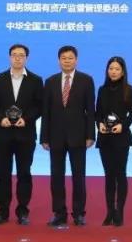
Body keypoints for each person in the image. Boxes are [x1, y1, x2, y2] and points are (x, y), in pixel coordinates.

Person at [0, 44, 44, 226]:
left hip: (25, 134)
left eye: (21, 55)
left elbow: (39, 105)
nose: (18, 58)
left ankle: (23, 211)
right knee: (3, 174)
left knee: (24, 174)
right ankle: (2, 212)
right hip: (2, 134)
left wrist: (27, 119)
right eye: (14, 55)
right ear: (9, 57)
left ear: (27, 58)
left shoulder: (35, 80)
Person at [41, 45, 96, 227]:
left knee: (78, 176)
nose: (67, 61)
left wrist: (90, 135)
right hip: (55, 136)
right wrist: (44, 137)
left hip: (78, 136)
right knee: (56, 177)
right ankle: (59, 213)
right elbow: (46, 112)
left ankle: (79, 213)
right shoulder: (50, 81)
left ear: (76, 60)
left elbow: (91, 110)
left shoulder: (86, 80)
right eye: (64, 58)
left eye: (70, 58)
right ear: (59, 61)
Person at [95, 56, 132, 227]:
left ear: (123, 72)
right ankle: (109, 211)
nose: (113, 72)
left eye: (117, 69)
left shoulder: (129, 90)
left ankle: (119, 212)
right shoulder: (102, 89)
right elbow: (97, 113)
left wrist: (122, 126)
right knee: (109, 175)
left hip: (121, 137)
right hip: (105, 137)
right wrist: (99, 124)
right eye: (111, 68)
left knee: (120, 174)